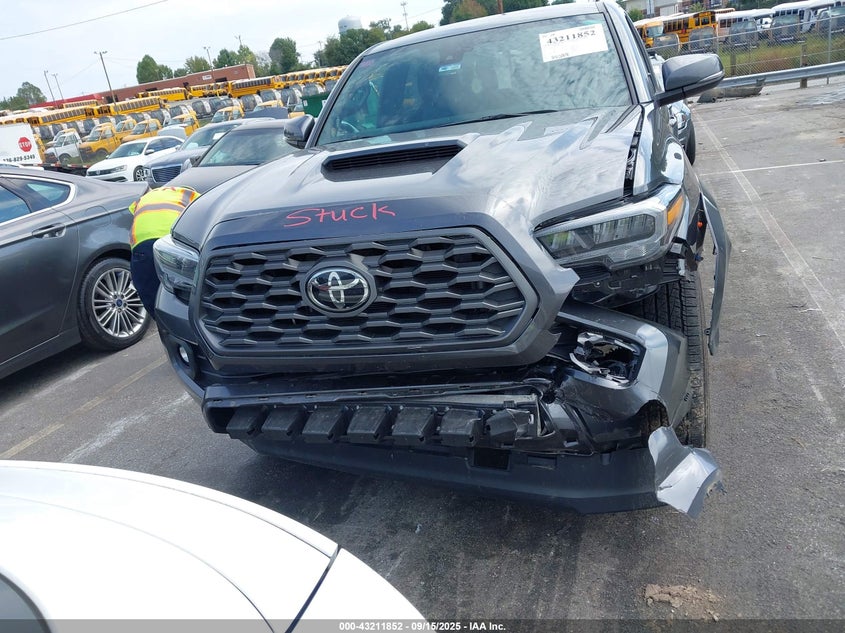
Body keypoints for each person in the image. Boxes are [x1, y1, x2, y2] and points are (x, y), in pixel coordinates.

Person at [128, 186, 201, 318]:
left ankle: (163, 323)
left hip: (142, 244)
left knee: (149, 291)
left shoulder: (143, 199)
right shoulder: (190, 195)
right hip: (170, 242)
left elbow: (134, 214)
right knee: (189, 287)